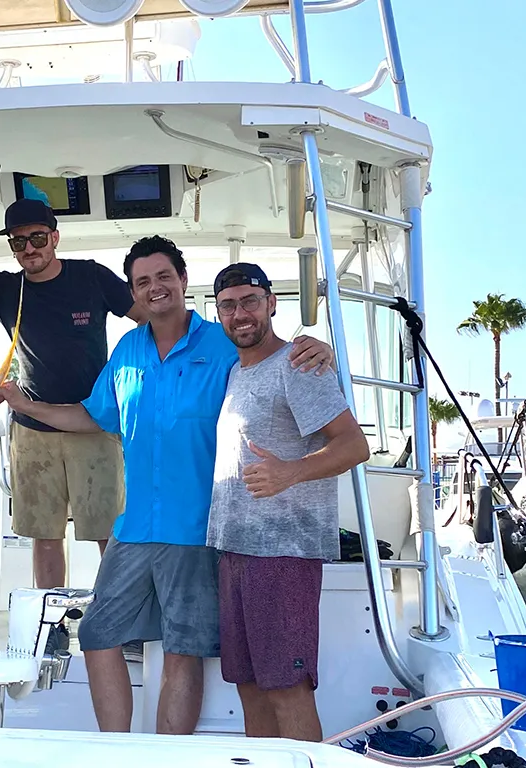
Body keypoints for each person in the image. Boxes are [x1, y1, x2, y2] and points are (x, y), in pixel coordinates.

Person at [0, 236, 335, 734]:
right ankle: (118, 753)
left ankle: (166, 757)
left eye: (163, 277)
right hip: (133, 528)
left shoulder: (223, 342)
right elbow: (94, 416)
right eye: (142, 282)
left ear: (182, 280)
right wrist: (25, 405)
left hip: (198, 530)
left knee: (182, 650)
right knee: (97, 633)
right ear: (133, 292)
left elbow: (274, 358)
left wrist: (319, 347)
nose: (154, 288)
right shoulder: (127, 349)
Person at [0, 145, 147, 652]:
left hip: (94, 426)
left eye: (38, 238)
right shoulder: (7, 290)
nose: (30, 248)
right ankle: (52, 629)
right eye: (19, 241)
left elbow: (149, 323)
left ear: (55, 237)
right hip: (31, 432)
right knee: (45, 535)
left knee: (107, 534)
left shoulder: (92, 277)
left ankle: (120, 622)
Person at [206, 262, 370, 741]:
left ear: (272, 303)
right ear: (218, 314)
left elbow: (354, 445)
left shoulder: (298, 365)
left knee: (287, 690)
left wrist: (290, 472)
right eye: (228, 305)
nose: (240, 314)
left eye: (250, 301)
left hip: (283, 555)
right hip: (236, 550)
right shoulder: (236, 371)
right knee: (250, 688)